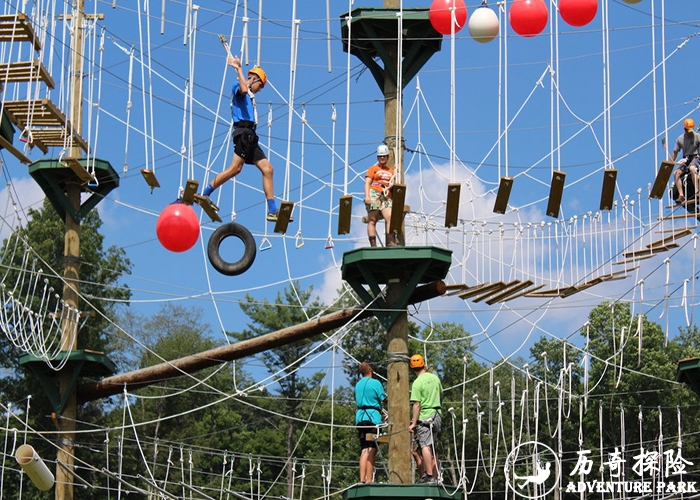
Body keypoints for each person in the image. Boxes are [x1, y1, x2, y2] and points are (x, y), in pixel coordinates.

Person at [200, 55, 279, 221]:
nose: (260, 89)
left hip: (251, 136)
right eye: (260, 84)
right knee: (234, 169)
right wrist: (239, 69)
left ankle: (272, 209)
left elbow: (247, 90)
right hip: (243, 133)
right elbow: (243, 89)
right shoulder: (239, 86)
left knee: (268, 169)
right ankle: (205, 193)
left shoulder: (249, 93)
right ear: (254, 79)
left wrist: (244, 76)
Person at [408, 354, 443, 484]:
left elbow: (416, 404)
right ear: (424, 365)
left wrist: (413, 423)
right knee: (433, 447)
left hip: (425, 417)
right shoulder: (435, 378)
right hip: (437, 415)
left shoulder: (417, 383)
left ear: (412, 369)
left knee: (425, 446)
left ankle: (429, 475)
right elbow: (440, 395)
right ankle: (436, 475)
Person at [355, 361, 387, 483]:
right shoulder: (376, 383)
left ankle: (362, 478)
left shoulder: (358, 385)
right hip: (373, 418)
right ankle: (369, 479)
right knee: (372, 448)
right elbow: (384, 400)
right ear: (371, 369)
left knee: (364, 448)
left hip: (360, 418)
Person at [364, 144, 397, 247]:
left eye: (384, 156)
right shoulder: (373, 169)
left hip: (386, 195)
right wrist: (367, 196)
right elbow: (367, 183)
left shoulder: (391, 171)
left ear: (387, 157)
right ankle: (373, 244)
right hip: (375, 192)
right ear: (378, 157)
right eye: (380, 156)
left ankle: (391, 241)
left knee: (390, 217)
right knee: (372, 219)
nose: (382, 158)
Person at [671, 118, 700, 204]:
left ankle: (697, 191)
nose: (690, 133)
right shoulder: (680, 139)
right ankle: (681, 195)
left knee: (692, 168)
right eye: (688, 131)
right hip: (686, 159)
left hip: (696, 158)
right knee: (676, 173)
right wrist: (670, 162)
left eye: (691, 131)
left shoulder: (697, 136)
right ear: (685, 129)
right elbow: (675, 153)